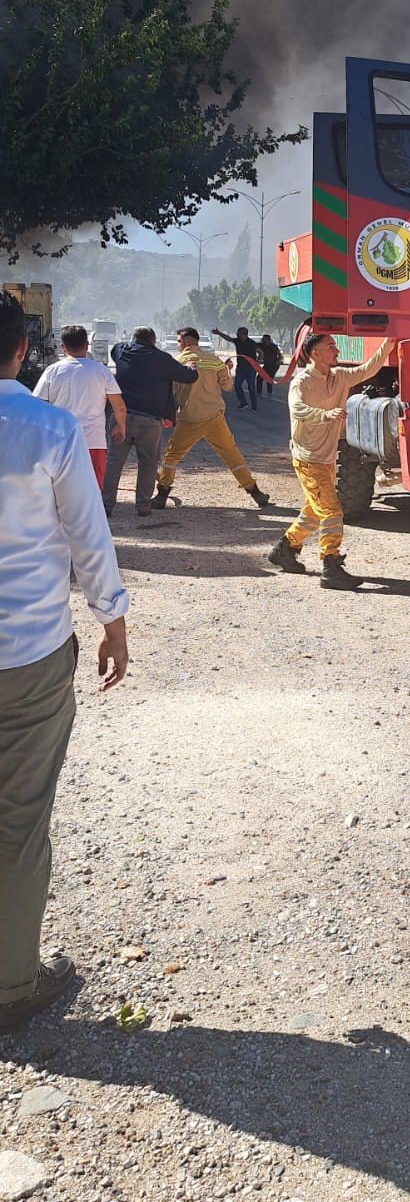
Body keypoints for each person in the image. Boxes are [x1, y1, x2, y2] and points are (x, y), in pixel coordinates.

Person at [0, 291, 129, 1032]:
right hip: (29, 654)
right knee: (17, 819)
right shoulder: (47, 429)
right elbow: (87, 532)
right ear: (23, 349)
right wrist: (112, 619)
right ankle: (12, 983)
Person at [268, 329, 390, 589]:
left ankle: (285, 548)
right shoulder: (301, 382)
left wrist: (389, 343)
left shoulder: (340, 377)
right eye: (331, 346)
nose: (337, 350)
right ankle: (330, 565)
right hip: (308, 459)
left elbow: (369, 368)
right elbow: (298, 409)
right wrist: (326, 414)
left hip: (324, 458)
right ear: (315, 353)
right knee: (332, 511)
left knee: (315, 510)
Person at [151, 327, 270, 509]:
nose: (178, 345)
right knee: (232, 455)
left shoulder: (177, 362)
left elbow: (171, 393)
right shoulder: (214, 361)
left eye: (178, 342)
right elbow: (228, 387)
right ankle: (255, 493)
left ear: (185, 342)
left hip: (189, 419)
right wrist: (226, 369)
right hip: (214, 419)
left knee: (172, 456)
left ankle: (162, 494)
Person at [103, 327, 198, 517]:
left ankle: (106, 505)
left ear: (133, 339)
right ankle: (143, 506)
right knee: (147, 464)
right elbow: (189, 377)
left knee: (114, 462)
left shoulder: (122, 351)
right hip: (149, 420)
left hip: (121, 417)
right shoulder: (162, 359)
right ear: (153, 341)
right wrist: (192, 365)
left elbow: (114, 349)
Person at [33, 324, 126, 490]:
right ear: (86, 345)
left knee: (62, 490)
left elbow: (37, 405)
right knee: (93, 489)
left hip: (60, 440)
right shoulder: (101, 371)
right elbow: (119, 407)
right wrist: (121, 426)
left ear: (62, 347)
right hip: (94, 441)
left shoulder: (52, 371)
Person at [211, 325, 260, 411]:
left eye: (239, 333)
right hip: (240, 367)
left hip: (250, 369)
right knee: (237, 385)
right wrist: (219, 333)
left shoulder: (251, 343)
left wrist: (258, 362)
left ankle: (254, 405)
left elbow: (260, 352)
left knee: (251, 387)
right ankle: (243, 402)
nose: (237, 334)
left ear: (244, 334)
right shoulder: (237, 341)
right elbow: (228, 338)